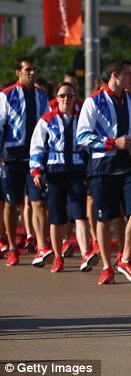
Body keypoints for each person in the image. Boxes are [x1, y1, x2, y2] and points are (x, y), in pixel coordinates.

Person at [77, 59, 131, 285]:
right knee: (104, 219)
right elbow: (82, 137)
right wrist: (112, 143)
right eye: (128, 74)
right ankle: (107, 267)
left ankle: (126, 258)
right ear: (115, 76)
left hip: (128, 166)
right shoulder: (94, 102)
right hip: (102, 168)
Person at [28, 81, 95, 273]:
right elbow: (37, 148)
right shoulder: (47, 120)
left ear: (76, 98)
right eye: (62, 96)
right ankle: (58, 257)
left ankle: (86, 254)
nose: (66, 99)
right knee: (57, 217)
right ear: (56, 99)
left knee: (79, 214)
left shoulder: (82, 120)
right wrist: (37, 171)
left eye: (70, 96)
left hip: (76, 172)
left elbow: (88, 147)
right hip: (55, 173)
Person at [1, 57, 51, 266]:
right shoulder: (6, 95)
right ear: (18, 72)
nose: (32, 73)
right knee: (12, 204)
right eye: (28, 70)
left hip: (34, 159)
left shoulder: (41, 95)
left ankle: (41, 246)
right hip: (11, 157)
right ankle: (13, 247)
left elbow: (48, 123)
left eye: (34, 69)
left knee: (38, 202)